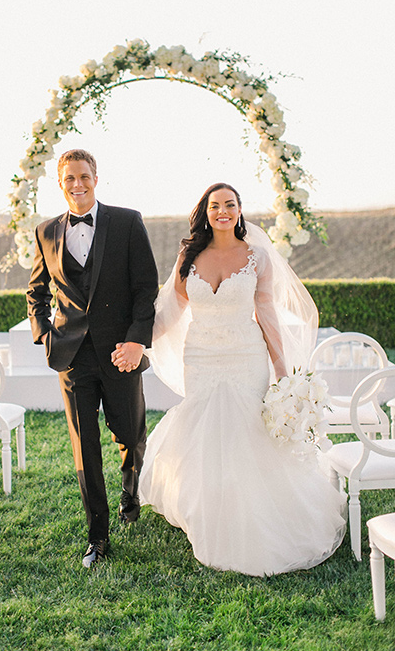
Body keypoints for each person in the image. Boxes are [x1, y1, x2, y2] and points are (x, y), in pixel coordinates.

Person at [139, 183, 346, 576]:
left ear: (239, 210)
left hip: (245, 356)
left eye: (230, 205)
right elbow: (170, 312)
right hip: (200, 358)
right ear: (206, 211)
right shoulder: (190, 256)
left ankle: (257, 517)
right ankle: (211, 511)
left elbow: (266, 312)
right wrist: (137, 342)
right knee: (207, 435)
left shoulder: (257, 256)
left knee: (247, 433)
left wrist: (282, 370)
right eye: (215, 205)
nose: (223, 211)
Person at [27, 149, 158, 568]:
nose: (77, 185)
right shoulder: (46, 231)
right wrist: (45, 335)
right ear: (60, 183)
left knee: (130, 435)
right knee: (85, 449)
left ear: (96, 178)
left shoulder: (127, 222)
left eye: (84, 176)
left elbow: (145, 288)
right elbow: (36, 292)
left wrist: (137, 341)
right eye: (69, 179)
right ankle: (97, 535)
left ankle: (131, 486)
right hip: (72, 356)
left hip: (121, 352)